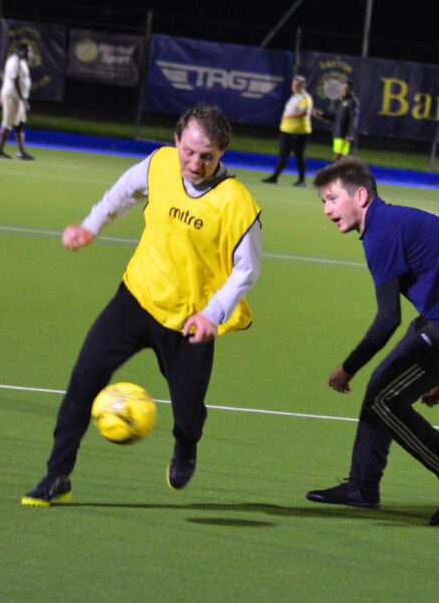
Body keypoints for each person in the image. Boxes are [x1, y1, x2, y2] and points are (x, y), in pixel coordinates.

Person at [21, 103, 263, 506]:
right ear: (176, 141)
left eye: (207, 156)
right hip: (136, 297)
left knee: (188, 414)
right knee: (84, 381)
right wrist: (90, 226)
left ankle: (186, 444)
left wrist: (212, 314)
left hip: (191, 321)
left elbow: (247, 270)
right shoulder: (160, 164)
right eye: (188, 151)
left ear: (222, 153)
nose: (195, 163)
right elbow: (123, 192)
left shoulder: (237, 203)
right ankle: (56, 476)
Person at [306, 158, 439, 526]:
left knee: (385, 399)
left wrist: (347, 368)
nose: (327, 209)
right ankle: (362, 487)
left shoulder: (380, 233)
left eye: (332, 199)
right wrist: (431, 371)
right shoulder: (387, 221)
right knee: (382, 387)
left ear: (360, 195)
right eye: (323, 202)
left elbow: (387, 320)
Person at [261, 75, 312, 186]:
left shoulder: (304, 97)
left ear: (303, 86)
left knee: (299, 156)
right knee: (283, 155)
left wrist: (289, 117)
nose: (295, 87)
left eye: (298, 85)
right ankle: (275, 177)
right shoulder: (295, 96)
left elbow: (304, 112)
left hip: (298, 132)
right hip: (287, 131)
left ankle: (302, 180)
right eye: (294, 84)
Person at [0, 43, 34, 160]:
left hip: (18, 97)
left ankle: (21, 152)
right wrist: (24, 100)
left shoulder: (21, 62)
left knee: (20, 123)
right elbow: (15, 82)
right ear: (21, 51)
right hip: (13, 96)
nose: (30, 54)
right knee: (7, 122)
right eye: (28, 51)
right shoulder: (15, 61)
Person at [315, 80, 359, 160]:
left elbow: (354, 119)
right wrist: (322, 116)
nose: (344, 90)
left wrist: (350, 134)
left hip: (344, 134)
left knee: (339, 157)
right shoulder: (343, 101)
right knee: (338, 158)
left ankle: (345, 172)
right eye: (344, 88)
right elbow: (336, 117)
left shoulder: (352, 102)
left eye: (347, 88)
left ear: (351, 90)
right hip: (338, 132)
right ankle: (343, 172)